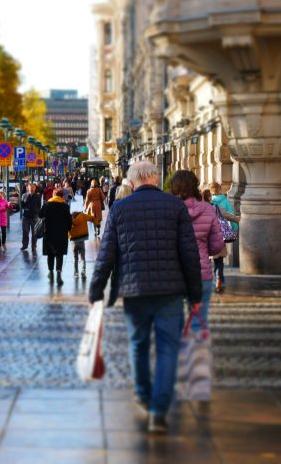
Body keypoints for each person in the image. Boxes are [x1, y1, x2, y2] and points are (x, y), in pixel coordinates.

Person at [89, 161, 201, 434]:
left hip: (134, 289)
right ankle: (159, 410)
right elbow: (189, 254)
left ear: (132, 181)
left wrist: (96, 289)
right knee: (167, 350)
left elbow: (107, 255)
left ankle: (142, 393)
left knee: (137, 345)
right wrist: (195, 294)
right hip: (170, 291)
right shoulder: (175, 206)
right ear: (155, 177)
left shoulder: (119, 209)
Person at [170, 171, 224, 330]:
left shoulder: (169, 210)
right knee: (198, 323)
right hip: (202, 272)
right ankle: (196, 353)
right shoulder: (208, 209)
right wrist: (204, 249)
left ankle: (176, 353)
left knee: (173, 324)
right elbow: (217, 244)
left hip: (174, 274)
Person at [38, 188, 72, 285]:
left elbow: (39, 215)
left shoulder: (47, 204)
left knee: (50, 254)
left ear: (53, 195)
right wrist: (69, 229)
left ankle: (51, 273)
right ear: (62, 196)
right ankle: (58, 276)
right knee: (59, 254)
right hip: (61, 234)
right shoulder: (65, 206)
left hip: (48, 233)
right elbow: (69, 221)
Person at [209, 182, 238, 293]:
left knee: (214, 257)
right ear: (220, 189)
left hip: (210, 233)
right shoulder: (225, 202)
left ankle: (217, 277)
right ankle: (219, 278)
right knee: (220, 257)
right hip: (221, 233)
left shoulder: (209, 202)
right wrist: (235, 229)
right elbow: (231, 215)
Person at [69, 210, 95, 278]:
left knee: (75, 258)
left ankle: (76, 273)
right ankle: (83, 271)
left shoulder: (70, 220)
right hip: (81, 241)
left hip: (74, 242)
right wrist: (96, 222)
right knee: (83, 257)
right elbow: (91, 218)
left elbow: (67, 229)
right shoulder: (83, 216)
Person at [20, 183, 42, 251]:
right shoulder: (24, 195)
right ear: (28, 188)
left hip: (34, 217)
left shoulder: (38, 196)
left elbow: (39, 206)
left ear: (35, 188)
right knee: (25, 231)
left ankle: (34, 246)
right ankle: (24, 245)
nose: (31, 189)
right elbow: (22, 205)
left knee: (34, 233)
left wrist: (36, 212)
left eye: (33, 187)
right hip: (26, 216)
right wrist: (26, 208)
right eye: (30, 187)